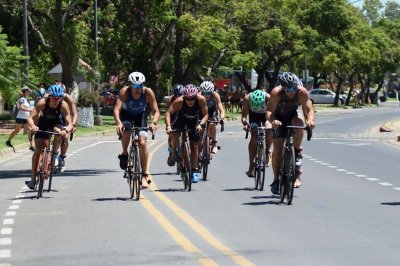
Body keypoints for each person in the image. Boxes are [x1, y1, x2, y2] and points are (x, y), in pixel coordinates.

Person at [266, 72, 315, 194]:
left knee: (299, 125)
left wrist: (310, 121)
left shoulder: (301, 92)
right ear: (282, 87)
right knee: (277, 148)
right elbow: (269, 111)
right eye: (288, 89)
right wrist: (273, 121)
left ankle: (297, 150)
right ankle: (276, 179)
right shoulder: (276, 92)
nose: (291, 92)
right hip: (278, 118)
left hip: (292, 115)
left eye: (293, 88)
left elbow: (309, 109)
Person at [114, 71, 160, 188]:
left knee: (143, 143)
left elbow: (156, 111)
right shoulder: (124, 92)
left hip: (141, 116)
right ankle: (124, 154)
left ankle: (144, 175)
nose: (137, 89)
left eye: (139, 86)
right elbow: (116, 110)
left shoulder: (148, 92)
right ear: (130, 85)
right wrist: (119, 123)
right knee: (126, 130)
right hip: (126, 116)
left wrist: (153, 123)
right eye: (134, 86)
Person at [25, 84, 73, 189]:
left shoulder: (63, 105)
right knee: (37, 150)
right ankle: (33, 180)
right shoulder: (42, 102)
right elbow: (30, 117)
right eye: (53, 98)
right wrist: (33, 126)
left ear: (61, 98)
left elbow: (70, 123)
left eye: (58, 98)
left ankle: (54, 156)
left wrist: (66, 130)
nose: (56, 100)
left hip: (56, 123)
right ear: (49, 97)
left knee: (58, 132)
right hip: (43, 123)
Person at [165, 84, 208, 183]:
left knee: (194, 145)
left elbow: (206, 114)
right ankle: (174, 152)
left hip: (194, 121)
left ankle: (194, 171)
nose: (190, 101)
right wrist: (168, 126)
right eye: (187, 99)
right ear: (184, 97)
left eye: (192, 98)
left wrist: (201, 125)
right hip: (181, 119)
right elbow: (168, 113)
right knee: (174, 134)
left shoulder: (201, 99)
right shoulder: (179, 100)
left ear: (195, 96)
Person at [241, 89, 272, 177]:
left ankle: (268, 152)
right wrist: (245, 124)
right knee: (254, 135)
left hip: (266, 115)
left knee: (269, 129)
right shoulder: (247, 98)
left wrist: (270, 123)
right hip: (253, 116)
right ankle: (251, 165)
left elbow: (272, 114)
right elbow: (244, 116)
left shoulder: (268, 98)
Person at [55, 81, 78, 168]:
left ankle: (62, 157)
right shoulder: (48, 97)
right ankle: (50, 154)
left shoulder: (68, 98)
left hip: (65, 118)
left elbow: (74, 113)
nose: (56, 98)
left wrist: (73, 125)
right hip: (53, 117)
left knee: (65, 137)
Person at [198, 81, 225, 154]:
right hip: (202, 113)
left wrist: (222, 117)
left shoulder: (215, 95)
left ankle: (214, 144)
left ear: (212, 92)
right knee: (200, 129)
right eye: (204, 93)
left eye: (208, 93)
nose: (206, 95)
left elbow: (221, 108)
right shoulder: (198, 96)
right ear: (201, 92)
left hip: (212, 112)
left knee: (212, 123)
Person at [6, 86, 34, 151]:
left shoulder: (26, 100)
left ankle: (31, 145)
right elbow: (21, 108)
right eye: (28, 91)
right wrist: (30, 110)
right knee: (17, 130)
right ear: (25, 92)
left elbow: (26, 108)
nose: (29, 92)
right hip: (20, 117)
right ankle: (8, 141)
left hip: (26, 118)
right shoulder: (22, 99)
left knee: (30, 130)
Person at [167, 84, 184, 156]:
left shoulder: (186, 98)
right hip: (174, 113)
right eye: (176, 96)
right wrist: (169, 125)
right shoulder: (171, 99)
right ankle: (171, 150)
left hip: (182, 114)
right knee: (171, 133)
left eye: (179, 95)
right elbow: (169, 113)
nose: (177, 97)